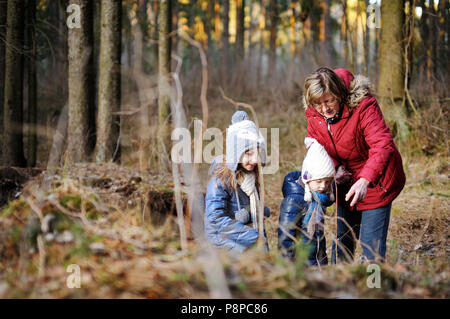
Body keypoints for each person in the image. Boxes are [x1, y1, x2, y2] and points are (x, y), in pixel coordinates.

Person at [302, 67, 406, 263]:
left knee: (371, 249)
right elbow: (317, 149)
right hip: (346, 181)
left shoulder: (364, 106)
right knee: (343, 241)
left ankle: (373, 288)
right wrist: (333, 171)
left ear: (340, 94)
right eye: (318, 103)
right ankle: (341, 287)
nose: (324, 109)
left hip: (377, 181)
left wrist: (365, 180)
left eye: (329, 101)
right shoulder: (313, 115)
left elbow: (382, 145)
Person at [204, 110, 270, 254]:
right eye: (248, 153)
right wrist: (253, 237)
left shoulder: (250, 176)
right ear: (235, 152)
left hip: (244, 237)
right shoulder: (220, 180)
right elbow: (215, 220)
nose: (254, 160)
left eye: (257, 153)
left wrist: (255, 212)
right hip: (222, 240)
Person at [278, 137, 335, 266]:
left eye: (327, 182)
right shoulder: (295, 199)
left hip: (318, 255)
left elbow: (331, 197)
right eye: (319, 181)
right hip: (301, 260)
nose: (323, 186)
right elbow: (286, 234)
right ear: (307, 179)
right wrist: (287, 263)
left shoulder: (318, 197)